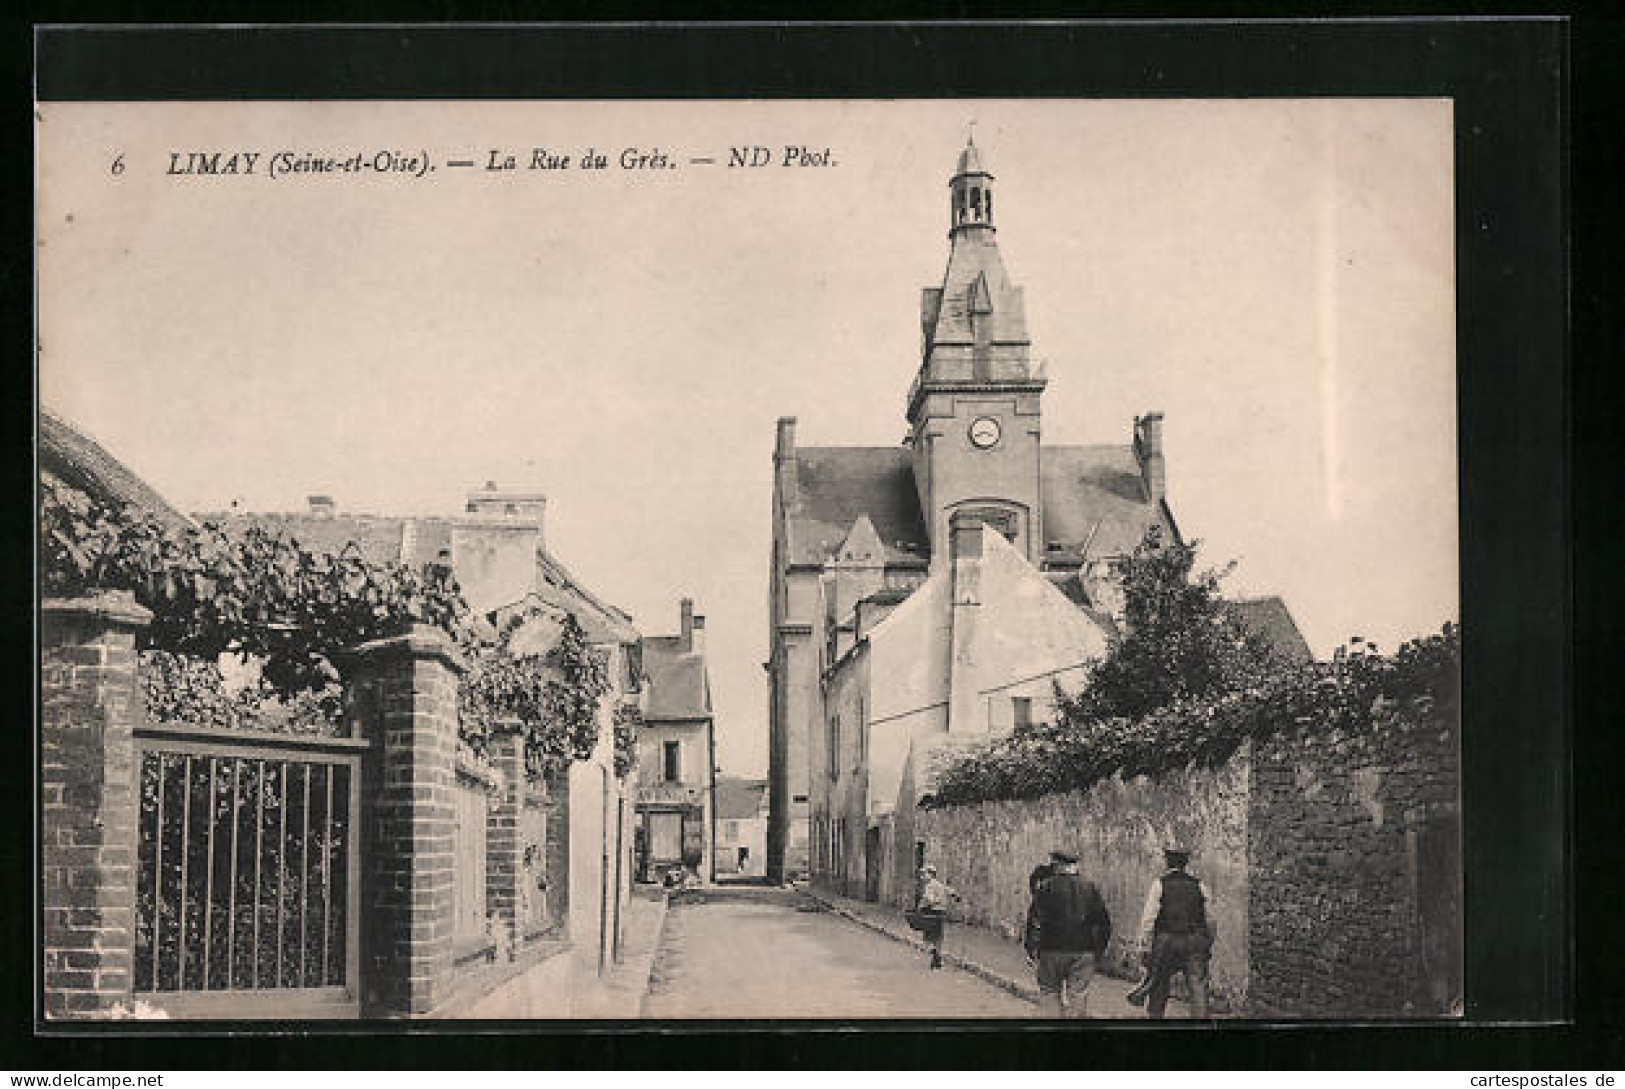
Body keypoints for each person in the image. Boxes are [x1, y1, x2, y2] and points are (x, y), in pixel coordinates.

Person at [1025, 849, 1111, 1018]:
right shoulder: (1090, 887)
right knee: (1078, 997)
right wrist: (1098, 951)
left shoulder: (1046, 887)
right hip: (1083, 951)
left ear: (1057, 865)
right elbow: (1104, 923)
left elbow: (1035, 921)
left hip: (1051, 950)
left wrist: (1031, 949)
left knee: (1049, 993)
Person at [1137, 846, 1214, 1019]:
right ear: (1185, 863)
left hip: (1166, 941)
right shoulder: (1199, 885)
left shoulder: (1159, 884)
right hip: (1194, 939)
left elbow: (1148, 919)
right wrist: (1208, 940)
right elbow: (1210, 919)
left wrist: (1144, 946)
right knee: (1198, 987)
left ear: (1167, 862)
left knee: (1158, 984)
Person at [912, 864, 959, 969]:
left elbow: (929, 900)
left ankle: (935, 954)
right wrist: (954, 896)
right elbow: (951, 892)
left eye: (924, 874)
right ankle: (937, 958)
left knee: (929, 935)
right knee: (938, 936)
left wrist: (923, 905)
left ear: (931, 875)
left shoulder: (929, 886)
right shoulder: (939, 884)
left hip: (932, 912)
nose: (922, 877)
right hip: (941, 912)